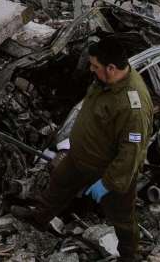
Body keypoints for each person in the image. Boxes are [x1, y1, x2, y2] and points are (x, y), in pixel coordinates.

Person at [29, 37, 152, 262]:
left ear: (111, 68)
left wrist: (108, 183)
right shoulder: (105, 81)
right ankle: (38, 219)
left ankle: (129, 255)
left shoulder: (133, 106)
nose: (91, 69)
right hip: (80, 156)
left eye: (95, 66)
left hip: (107, 170)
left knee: (122, 217)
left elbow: (131, 153)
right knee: (59, 182)